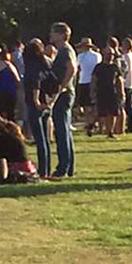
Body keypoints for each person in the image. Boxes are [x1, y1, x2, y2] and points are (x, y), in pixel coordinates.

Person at [48, 22, 78, 179]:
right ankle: (69, 167)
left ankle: (62, 168)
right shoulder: (63, 50)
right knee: (64, 130)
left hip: (64, 94)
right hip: (65, 93)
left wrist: (61, 87)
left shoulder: (65, 50)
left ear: (61, 34)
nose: (51, 35)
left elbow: (72, 69)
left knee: (61, 131)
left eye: (53, 32)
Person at [23, 38, 53, 179]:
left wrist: (35, 100)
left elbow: (35, 84)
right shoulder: (45, 63)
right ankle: (46, 168)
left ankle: (42, 171)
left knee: (39, 139)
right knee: (45, 139)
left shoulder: (32, 66)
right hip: (46, 101)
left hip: (35, 103)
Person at [91, 47, 125, 139]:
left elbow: (119, 80)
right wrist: (92, 91)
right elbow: (94, 79)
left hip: (112, 92)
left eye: (112, 54)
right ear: (103, 54)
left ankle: (110, 132)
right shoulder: (99, 67)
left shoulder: (115, 67)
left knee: (113, 112)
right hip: (101, 92)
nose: (110, 56)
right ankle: (91, 125)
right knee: (101, 113)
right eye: (108, 54)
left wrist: (121, 92)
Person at [75, 37, 102, 135]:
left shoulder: (80, 56)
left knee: (86, 105)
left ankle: (88, 122)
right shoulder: (97, 56)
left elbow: (77, 68)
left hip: (84, 81)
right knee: (93, 105)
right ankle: (94, 123)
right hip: (94, 82)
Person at [122, 38, 132, 134]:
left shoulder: (125, 56)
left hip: (126, 82)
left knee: (126, 105)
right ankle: (131, 124)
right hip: (131, 82)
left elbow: (125, 69)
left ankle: (128, 125)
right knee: (130, 106)